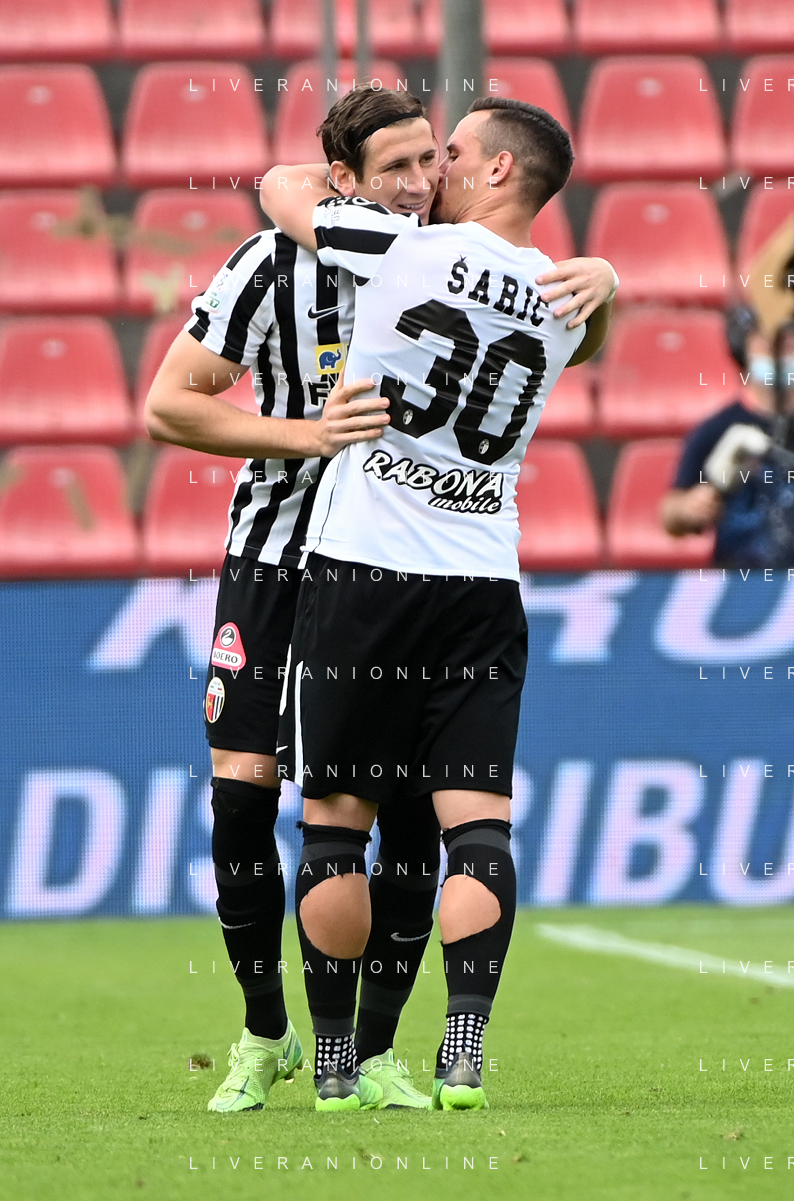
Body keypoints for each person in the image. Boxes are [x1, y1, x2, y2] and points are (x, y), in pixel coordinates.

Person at [147, 85, 615, 1114]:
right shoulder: (274, 264)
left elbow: (283, 183)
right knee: (247, 797)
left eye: (434, 158)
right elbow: (167, 403)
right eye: (398, 165)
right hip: (291, 558)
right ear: (346, 178)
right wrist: (304, 435)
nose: (421, 179)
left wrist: (604, 279)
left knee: (378, 818)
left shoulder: (411, 251)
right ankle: (268, 1031)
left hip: (363, 567)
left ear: (479, 167)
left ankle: (363, 1053)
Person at [661, 307, 794, 567]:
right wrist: (691, 507)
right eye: (768, 344)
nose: (779, 354)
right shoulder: (717, 429)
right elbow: (671, 514)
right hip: (739, 579)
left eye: (788, 345)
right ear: (745, 349)